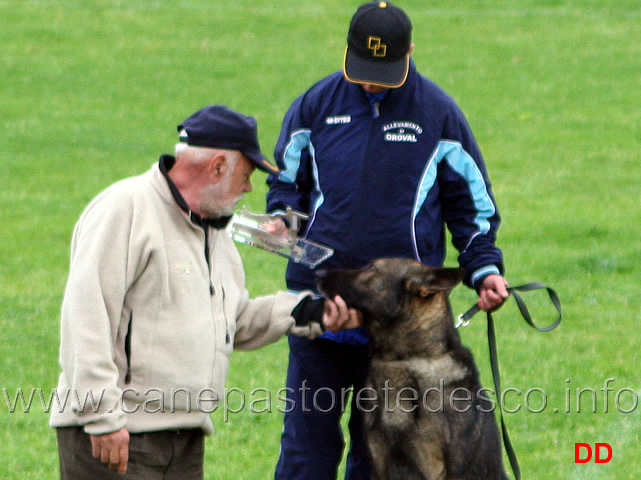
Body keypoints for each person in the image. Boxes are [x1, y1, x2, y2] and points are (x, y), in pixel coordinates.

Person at [264, 2, 510, 479]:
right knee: (305, 450)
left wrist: (485, 269)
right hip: (321, 306)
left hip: (399, 326)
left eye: (384, 73)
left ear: (410, 53)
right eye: (364, 71)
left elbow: (472, 206)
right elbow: (286, 182)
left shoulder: (438, 115)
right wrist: (282, 219)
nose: (372, 82)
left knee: (377, 456)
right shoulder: (315, 105)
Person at [50, 105, 360, 479]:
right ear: (216, 167)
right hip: (120, 433)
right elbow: (86, 318)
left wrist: (309, 312)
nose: (248, 188)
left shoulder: (214, 232)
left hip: (184, 438)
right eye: (245, 175)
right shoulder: (124, 209)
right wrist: (101, 418)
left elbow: (231, 320)